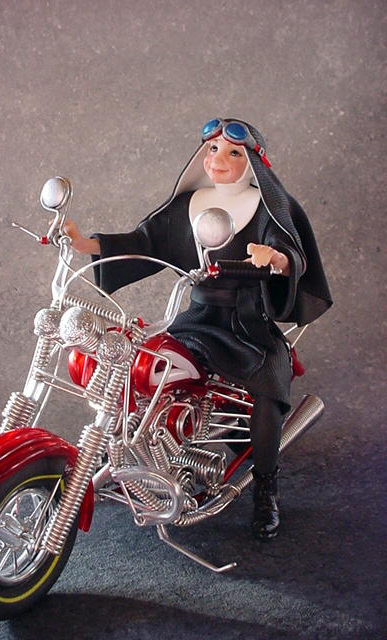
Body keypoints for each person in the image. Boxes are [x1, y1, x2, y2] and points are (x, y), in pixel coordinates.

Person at [63, 118, 332, 540]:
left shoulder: (264, 206)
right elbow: (143, 241)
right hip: (195, 317)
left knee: (268, 387)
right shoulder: (192, 203)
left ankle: (266, 487)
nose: (218, 159)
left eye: (233, 153)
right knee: (141, 365)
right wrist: (85, 244)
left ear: (253, 162)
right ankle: (128, 451)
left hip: (247, 324)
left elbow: (292, 256)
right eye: (212, 150)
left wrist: (274, 259)